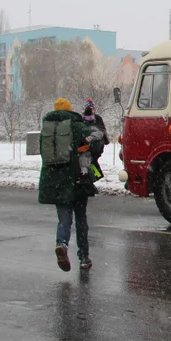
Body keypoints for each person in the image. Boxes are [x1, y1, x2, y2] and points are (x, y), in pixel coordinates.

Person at [39, 98, 102, 272]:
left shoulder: (47, 128)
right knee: (81, 219)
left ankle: (62, 244)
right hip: (77, 179)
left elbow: (43, 153)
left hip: (56, 182)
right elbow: (96, 146)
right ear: (69, 110)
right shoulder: (77, 126)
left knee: (64, 219)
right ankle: (83, 257)